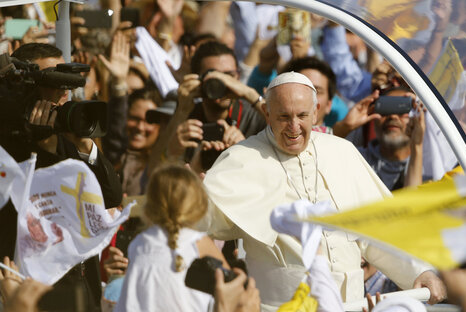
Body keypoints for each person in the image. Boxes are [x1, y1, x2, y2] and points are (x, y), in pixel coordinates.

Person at [198, 72, 445, 310]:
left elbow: (380, 231)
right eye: (284, 116)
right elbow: (194, 224)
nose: (294, 127)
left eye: (302, 115)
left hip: (350, 306)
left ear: (316, 113)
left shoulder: (342, 151)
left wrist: (420, 271)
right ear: (267, 113)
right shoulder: (241, 159)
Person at [0, 42, 122, 310]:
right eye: (54, 82)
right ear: (25, 87)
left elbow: (111, 196)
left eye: (67, 84)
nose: (63, 94)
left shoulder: (67, 138)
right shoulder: (7, 144)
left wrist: (84, 144)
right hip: (26, 292)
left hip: (82, 290)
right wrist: (40, 146)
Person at [115, 164, 260, 312]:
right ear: (198, 207)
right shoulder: (198, 241)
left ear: (150, 205)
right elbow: (233, 287)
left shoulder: (139, 243)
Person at [160, 41, 267, 171]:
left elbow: (285, 127)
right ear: (197, 80)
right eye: (213, 77)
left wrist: (249, 93)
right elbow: (154, 169)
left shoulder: (256, 114)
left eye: (229, 75)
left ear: (238, 77)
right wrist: (181, 111)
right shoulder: (186, 119)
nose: (222, 83)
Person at [357, 87, 426, 190]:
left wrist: (417, 145)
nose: (393, 116)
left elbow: (414, 203)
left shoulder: (430, 166)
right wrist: (345, 126)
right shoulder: (357, 158)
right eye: (386, 109)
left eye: (402, 108)